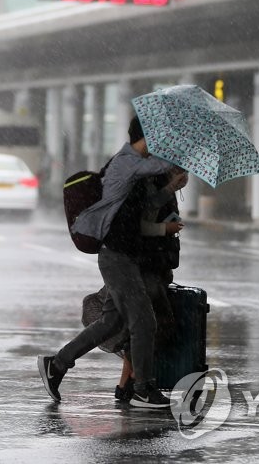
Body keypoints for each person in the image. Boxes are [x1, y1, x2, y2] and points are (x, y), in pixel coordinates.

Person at [38, 116, 187, 409]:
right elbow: (159, 166)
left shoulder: (135, 169)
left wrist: (170, 189)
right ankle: (143, 387)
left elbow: (142, 208)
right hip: (116, 257)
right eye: (161, 139)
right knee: (144, 321)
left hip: (125, 256)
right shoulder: (125, 162)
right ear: (149, 138)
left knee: (112, 321)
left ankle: (57, 364)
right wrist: (181, 159)